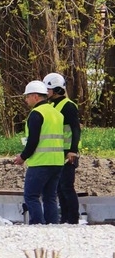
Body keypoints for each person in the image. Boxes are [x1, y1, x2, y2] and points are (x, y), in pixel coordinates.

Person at [13, 80, 65, 225]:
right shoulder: (56, 113)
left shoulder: (36, 114)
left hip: (41, 162)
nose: (26, 99)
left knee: (31, 196)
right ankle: (52, 225)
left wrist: (22, 157)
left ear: (35, 96)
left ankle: (37, 225)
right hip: (57, 162)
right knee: (50, 197)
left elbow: (33, 140)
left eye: (27, 96)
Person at [44, 71, 80, 224]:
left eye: (48, 89)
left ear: (57, 89)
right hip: (58, 152)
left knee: (66, 186)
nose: (46, 92)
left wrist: (73, 150)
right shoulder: (52, 105)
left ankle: (73, 219)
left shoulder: (68, 106)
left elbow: (76, 129)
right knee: (59, 188)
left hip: (68, 152)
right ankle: (65, 218)